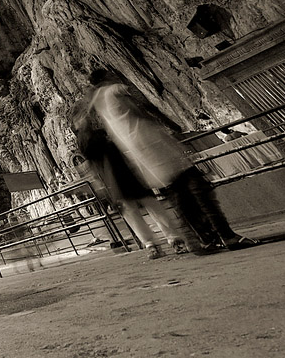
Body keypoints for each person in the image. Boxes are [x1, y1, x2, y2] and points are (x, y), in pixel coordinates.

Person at [87, 68, 256, 252]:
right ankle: (226, 236)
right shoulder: (115, 89)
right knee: (198, 189)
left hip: (142, 155)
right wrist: (161, 118)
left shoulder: (100, 107)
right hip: (154, 143)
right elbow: (139, 96)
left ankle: (201, 240)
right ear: (106, 77)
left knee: (180, 196)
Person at [72, 92, 189, 259]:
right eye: (80, 119)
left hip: (130, 175)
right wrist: (85, 127)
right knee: (134, 213)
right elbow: (90, 149)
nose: (84, 119)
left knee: (153, 207)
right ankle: (151, 244)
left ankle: (174, 239)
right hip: (114, 181)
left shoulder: (102, 132)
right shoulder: (86, 141)